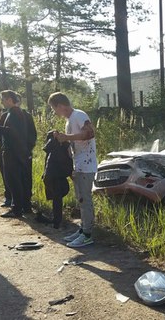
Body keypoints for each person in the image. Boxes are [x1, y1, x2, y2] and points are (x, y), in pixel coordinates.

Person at [48, 92, 97, 247]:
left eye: (54, 108)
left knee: (85, 199)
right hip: (79, 165)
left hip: (87, 165)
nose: (55, 112)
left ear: (60, 106)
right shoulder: (70, 120)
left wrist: (66, 137)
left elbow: (89, 133)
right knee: (81, 199)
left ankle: (88, 234)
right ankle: (83, 230)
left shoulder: (79, 115)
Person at [0, 90, 29, 218]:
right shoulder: (12, 113)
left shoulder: (14, 113)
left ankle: (17, 209)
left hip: (12, 152)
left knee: (14, 180)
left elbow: (14, 133)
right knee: (13, 180)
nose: (1, 102)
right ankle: (18, 206)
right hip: (12, 152)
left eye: (3, 99)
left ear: (9, 100)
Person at [42, 130, 73, 229]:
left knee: (57, 199)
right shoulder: (55, 144)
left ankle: (57, 220)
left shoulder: (58, 145)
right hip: (56, 176)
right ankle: (57, 221)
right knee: (57, 199)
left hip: (55, 176)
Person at [16, 93, 37, 214]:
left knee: (26, 178)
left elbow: (33, 134)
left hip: (25, 153)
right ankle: (17, 202)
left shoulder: (26, 116)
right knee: (16, 179)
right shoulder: (8, 115)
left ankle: (27, 204)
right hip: (13, 154)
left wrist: (29, 149)